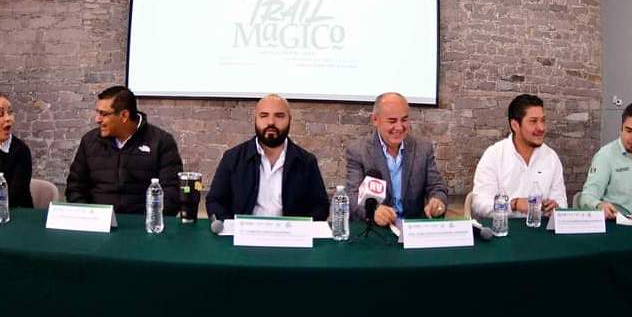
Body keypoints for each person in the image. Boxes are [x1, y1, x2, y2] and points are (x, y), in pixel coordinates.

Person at [206, 94, 329, 221]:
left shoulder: (307, 162)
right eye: (264, 115)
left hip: (290, 232)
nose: (271, 122)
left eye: (279, 116)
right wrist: (232, 227)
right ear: (255, 119)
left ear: (290, 120)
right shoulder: (232, 158)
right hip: (243, 231)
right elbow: (215, 201)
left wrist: (300, 228)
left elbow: (320, 206)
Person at [66, 86, 183, 215]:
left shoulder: (161, 142)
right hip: (96, 221)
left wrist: (150, 219)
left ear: (124, 116)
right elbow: (75, 187)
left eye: (103, 114)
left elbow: (172, 193)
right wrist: (88, 216)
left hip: (143, 223)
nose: (97, 119)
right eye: (97, 112)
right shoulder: (89, 141)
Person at [346, 92, 448, 225]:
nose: (399, 127)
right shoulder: (358, 151)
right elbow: (352, 196)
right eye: (392, 121)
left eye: (404, 120)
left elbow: (437, 187)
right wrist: (373, 212)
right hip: (377, 228)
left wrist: (438, 201)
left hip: (413, 227)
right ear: (375, 120)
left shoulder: (423, 148)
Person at [471, 94, 566, 218]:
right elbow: (480, 205)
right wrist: (513, 205)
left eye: (543, 120)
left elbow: (562, 202)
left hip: (541, 228)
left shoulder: (551, 157)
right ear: (515, 125)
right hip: (504, 228)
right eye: (533, 121)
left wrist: (555, 207)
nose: (541, 128)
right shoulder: (494, 155)